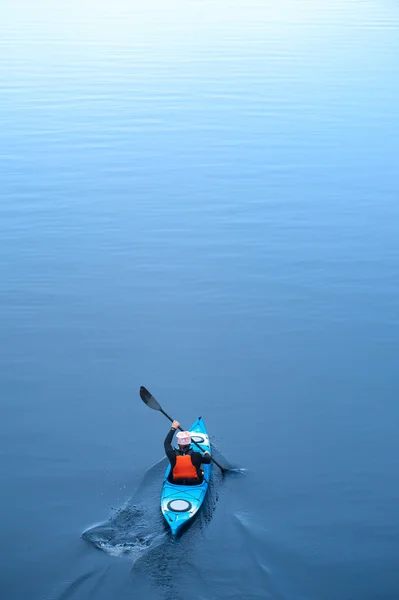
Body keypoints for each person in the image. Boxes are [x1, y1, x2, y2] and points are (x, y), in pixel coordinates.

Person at [164, 420, 211, 485]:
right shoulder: (197, 455)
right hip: (194, 483)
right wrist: (207, 454)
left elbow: (166, 443)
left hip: (176, 482)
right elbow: (208, 460)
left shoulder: (172, 455)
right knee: (201, 471)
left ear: (178, 443)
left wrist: (173, 428)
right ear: (189, 443)